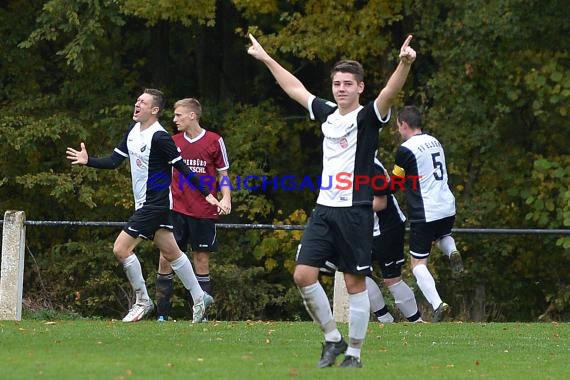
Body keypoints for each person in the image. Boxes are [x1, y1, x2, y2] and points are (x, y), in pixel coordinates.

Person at [247, 33, 416, 368]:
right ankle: (332, 338)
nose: (341, 89)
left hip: (355, 213)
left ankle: (354, 352)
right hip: (324, 210)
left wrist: (404, 63)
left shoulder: (368, 117)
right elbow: (295, 88)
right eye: (337, 83)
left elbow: (389, 93)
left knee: (355, 283)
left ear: (360, 88)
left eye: (348, 84)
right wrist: (266, 58)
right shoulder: (327, 114)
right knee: (303, 275)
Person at [66, 88, 225, 323]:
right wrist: (89, 161)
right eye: (137, 100)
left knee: (120, 249)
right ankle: (199, 296)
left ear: (154, 110)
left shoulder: (160, 137)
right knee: (172, 253)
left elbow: (183, 168)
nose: (137, 104)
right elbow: (113, 161)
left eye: (143, 102)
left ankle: (142, 301)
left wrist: (207, 195)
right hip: (145, 203)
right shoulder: (133, 131)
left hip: (155, 204)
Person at [155, 98, 231, 321]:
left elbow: (223, 175)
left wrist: (225, 198)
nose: (174, 119)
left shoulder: (214, 141)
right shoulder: (172, 141)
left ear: (192, 116)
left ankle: (201, 315)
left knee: (201, 260)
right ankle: (162, 315)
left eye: (178, 115)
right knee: (165, 258)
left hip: (203, 211)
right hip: (175, 209)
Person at [391, 105, 464, 322]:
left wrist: (378, 189)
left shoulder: (406, 149)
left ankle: (438, 304)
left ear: (404, 124)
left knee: (417, 264)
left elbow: (395, 182)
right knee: (442, 236)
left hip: (426, 211)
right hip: (447, 205)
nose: (398, 131)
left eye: (398, 126)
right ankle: (452, 252)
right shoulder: (435, 141)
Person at [367, 157, 423, 324]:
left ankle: (416, 321)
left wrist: (350, 209)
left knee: (391, 279)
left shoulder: (370, 165)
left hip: (387, 228)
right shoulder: (342, 164)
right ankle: (385, 320)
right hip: (365, 229)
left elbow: (380, 203)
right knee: (355, 272)